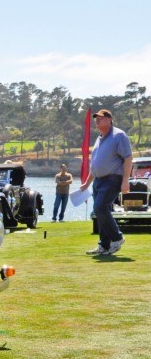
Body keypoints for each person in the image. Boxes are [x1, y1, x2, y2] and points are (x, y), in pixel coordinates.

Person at [80, 109, 133, 255]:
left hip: (112, 179)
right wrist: (87, 183)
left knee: (100, 207)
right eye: (96, 118)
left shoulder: (119, 135)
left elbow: (128, 158)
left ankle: (117, 238)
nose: (97, 120)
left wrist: (125, 181)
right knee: (100, 211)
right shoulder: (99, 138)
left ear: (110, 119)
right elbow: (95, 165)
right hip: (98, 181)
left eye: (101, 118)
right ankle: (104, 245)